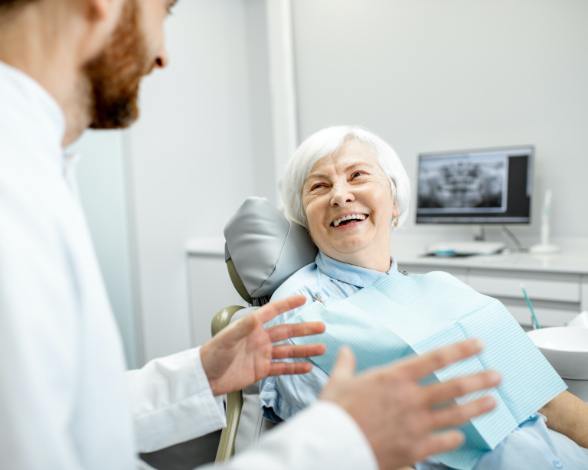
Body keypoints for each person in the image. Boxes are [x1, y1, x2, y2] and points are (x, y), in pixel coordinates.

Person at [0, 1, 501, 469]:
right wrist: (342, 440)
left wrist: (199, 375)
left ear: (395, 200)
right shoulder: (15, 185)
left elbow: (73, 417)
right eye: (165, 9)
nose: (162, 55)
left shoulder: (35, 163)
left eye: (359, 177)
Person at [260, 125, 588, 469]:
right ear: (304, 218)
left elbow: (550, 402)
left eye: (357, 176)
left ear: (395, 201)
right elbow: (348, 452)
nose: (340, 195)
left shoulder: (444, 287)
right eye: (319, 186)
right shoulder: (299, 309)